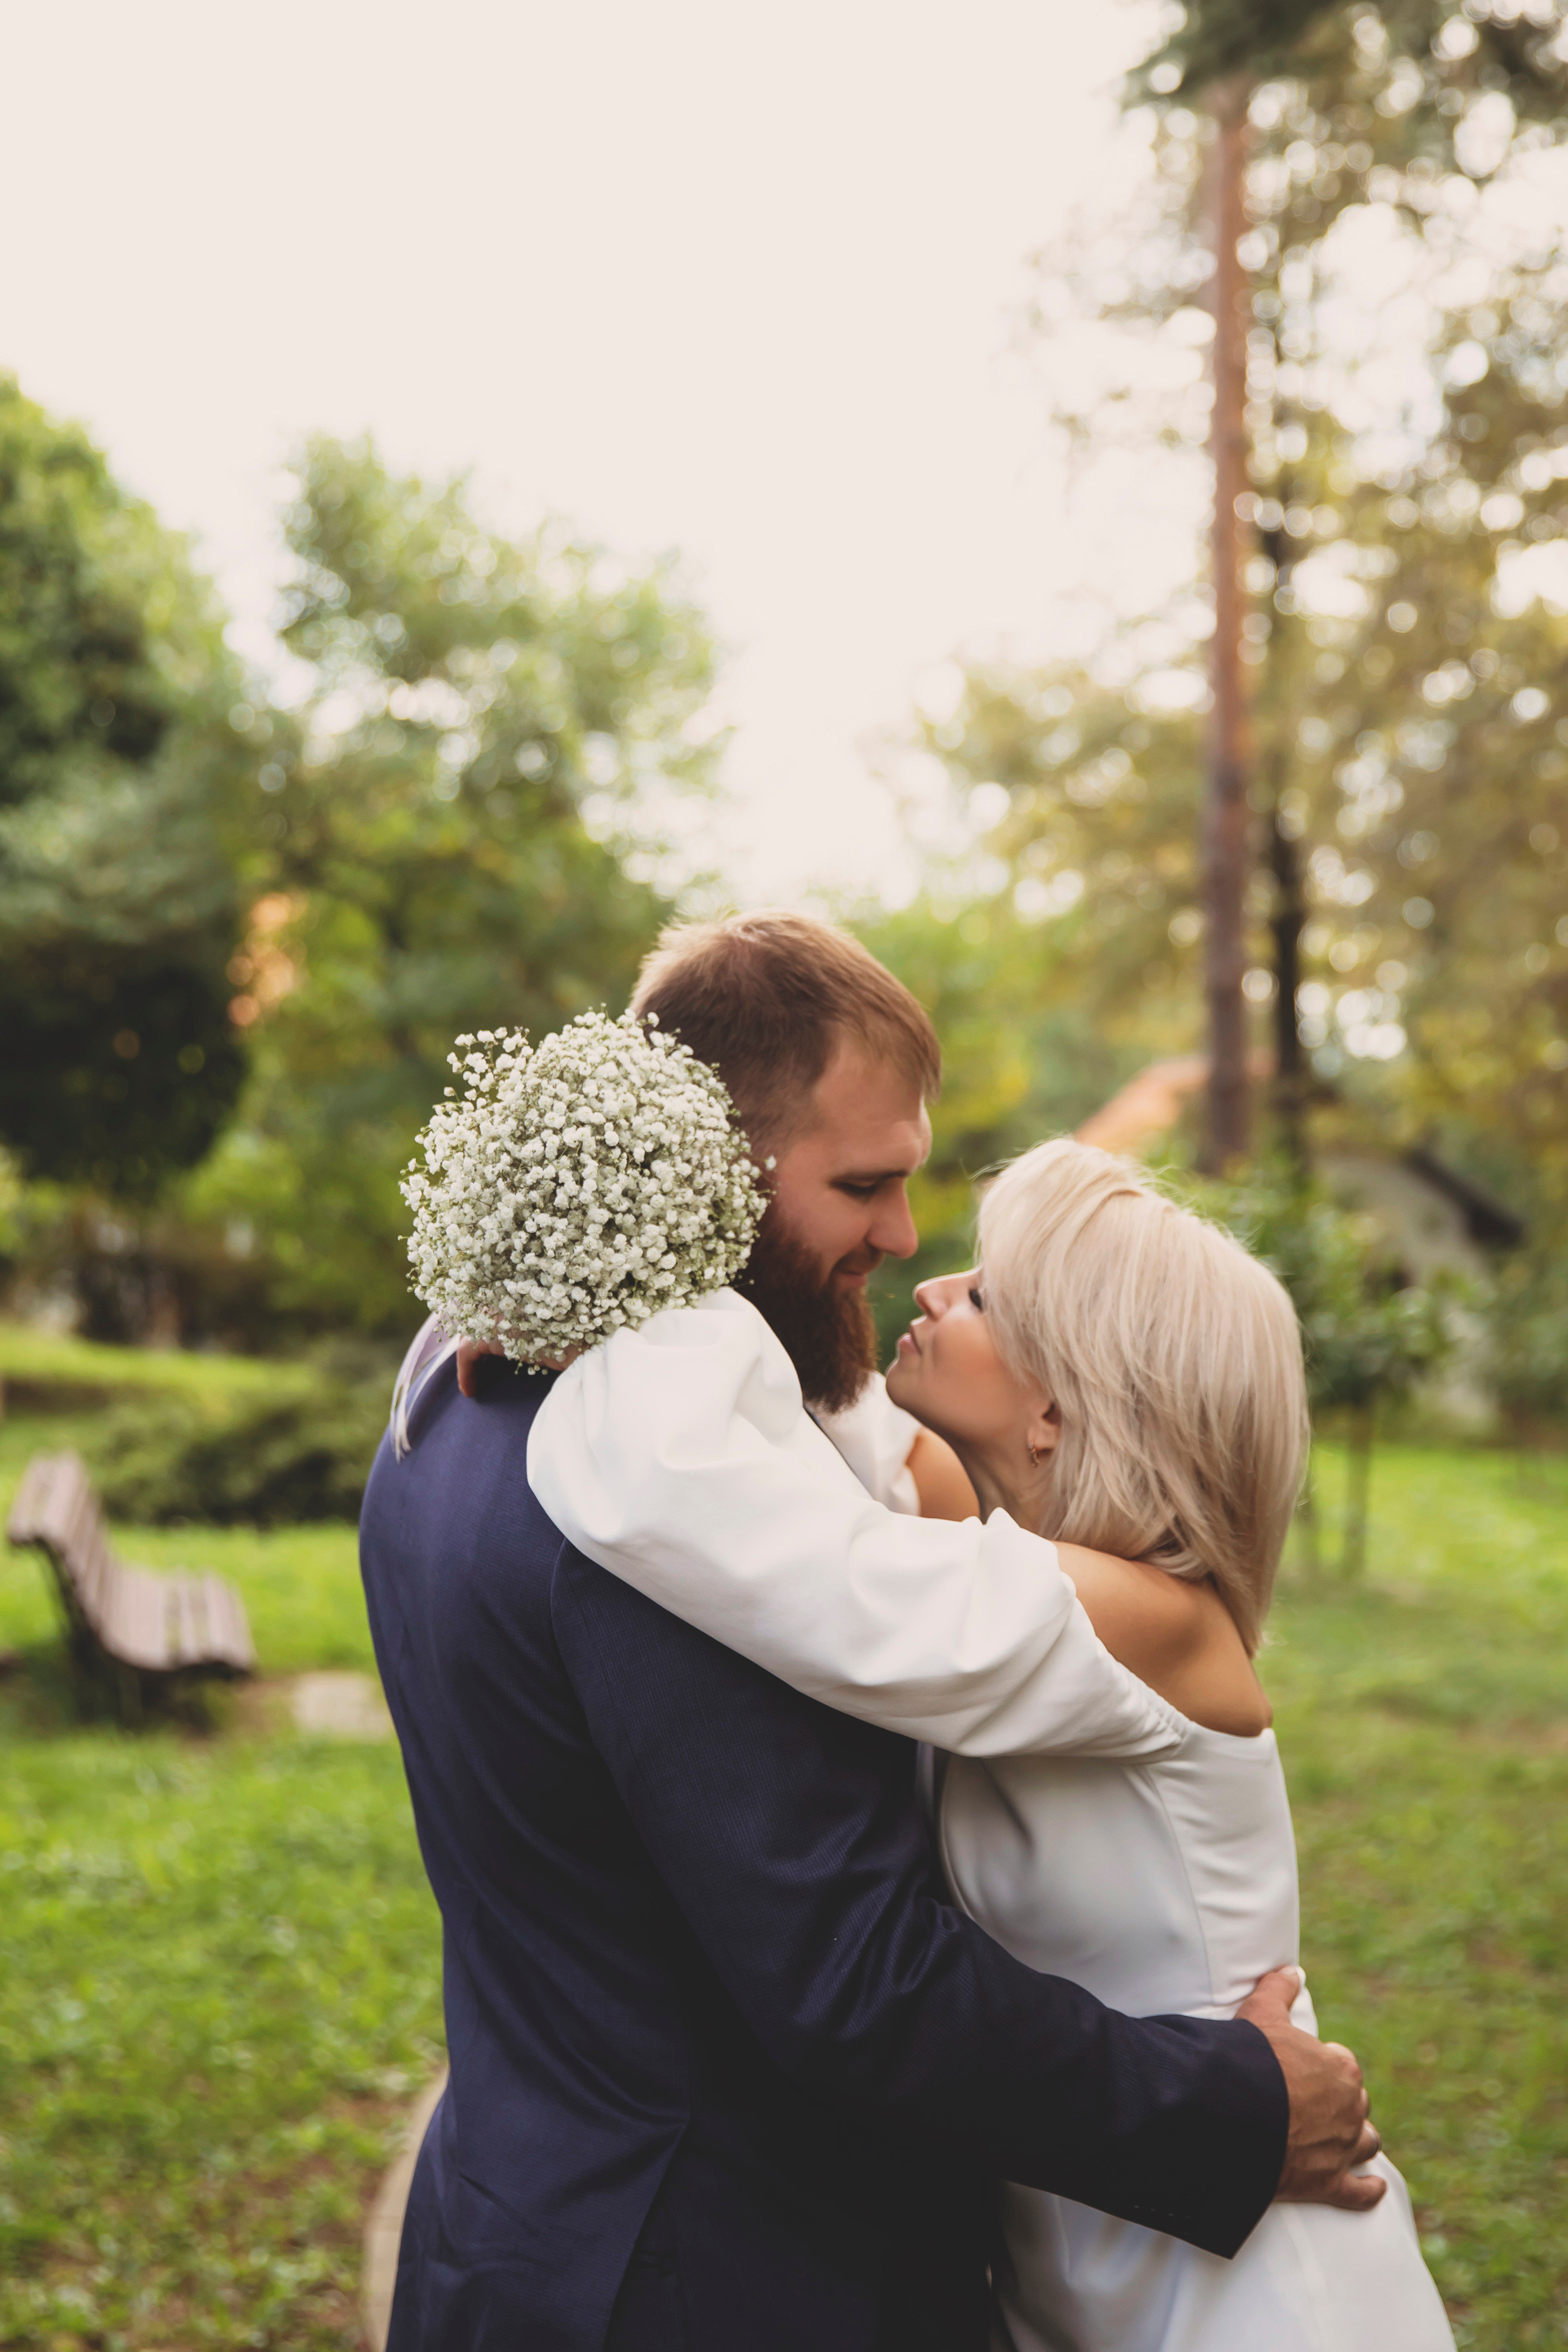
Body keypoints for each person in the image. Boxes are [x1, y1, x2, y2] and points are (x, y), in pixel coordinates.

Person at [362, 912, 1379, 2352]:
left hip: (517, 2221)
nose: (904, 1244)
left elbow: (854, 1466)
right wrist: (1236, 2107)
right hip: (718, 2280)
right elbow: (856, 1985)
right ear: (716, 1161)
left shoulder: (449, 1394)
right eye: (865, 1185)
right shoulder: (664, 1509)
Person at [530, 1130, 1454, 2351]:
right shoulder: (1013, 1550)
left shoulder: (1152, 1621)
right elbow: (833, 1434)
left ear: (1061, 1403)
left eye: (985, 1293)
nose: (929, 1284)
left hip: (1252, 2281)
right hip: (1096, 2235)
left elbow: (740, 1525)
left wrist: (604, 1329)